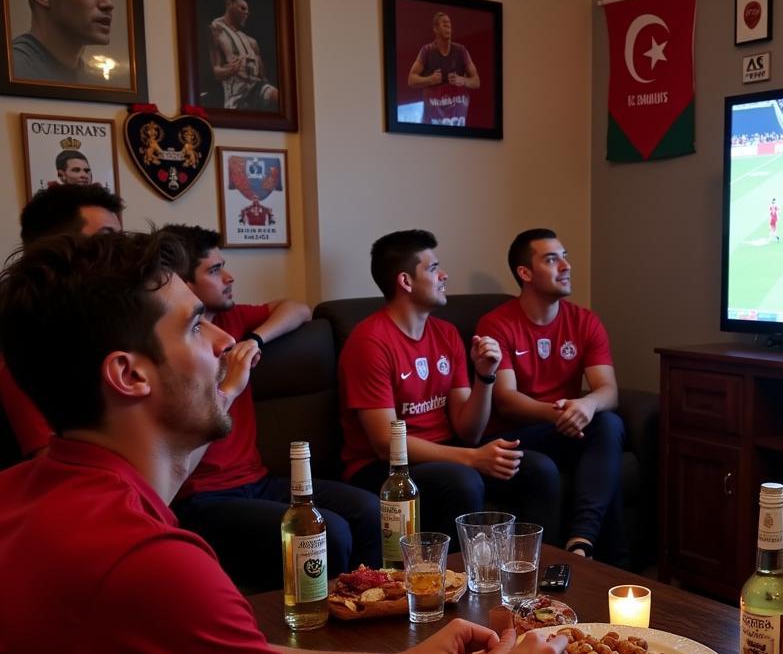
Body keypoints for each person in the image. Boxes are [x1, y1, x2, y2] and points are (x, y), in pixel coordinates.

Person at [0, 229, 573, 654]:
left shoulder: (39, 488)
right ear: (130, 374)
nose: (223, 345)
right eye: (195, 325)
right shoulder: (137, 559)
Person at [161, 226, 379, 590]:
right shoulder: (174, 348)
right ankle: (325, 628)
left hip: (257, 482)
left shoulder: (230, 322)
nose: (229, 277)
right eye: (214, 271)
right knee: (330, 531)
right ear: (183, 284)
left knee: (370, 510)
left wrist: (255, 338)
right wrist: (228, 384)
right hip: (203, 497)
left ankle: (374, 604)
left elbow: (297, 308)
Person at [338, 229, 561, 543]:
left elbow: (468, 431)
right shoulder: (370, 342)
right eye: (432, 269)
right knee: (461, 480)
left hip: (445, 453)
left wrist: (485, 376)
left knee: (537, 469)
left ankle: (536, 577)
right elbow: (385, 444)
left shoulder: (446, 334)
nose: (444, 275)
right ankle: (457, 587)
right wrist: (472, 458)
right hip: (382, 469)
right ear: (405, 281)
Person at [476, 229, 626, 563]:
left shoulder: (584, 321)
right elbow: (506, 399)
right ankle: (611, 560)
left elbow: (608, 390)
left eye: (565, 256)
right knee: (599, 452)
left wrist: (585, 405)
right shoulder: (497, 324)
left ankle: (581, 543)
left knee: (608, 424)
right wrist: (560, 414)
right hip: (515, 435)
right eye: (551, 259)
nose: (566, 266)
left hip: (563, 428)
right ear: (525, 273)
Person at [0, 183, 124, 459]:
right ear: (56, 247)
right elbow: (53, 465)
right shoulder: (26, 337)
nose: (121, 251)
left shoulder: (98, 319)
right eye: (107, 239)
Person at [209, 0, 279, 110]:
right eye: (242, 8)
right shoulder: (215, 29)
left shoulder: (251, 41)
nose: (247, 13)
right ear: (229, 4)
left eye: (247, 10)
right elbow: (215, 72)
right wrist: (230, 71)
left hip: (257, 88)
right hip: (236, 95)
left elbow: (262, 76)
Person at [407, 11, 479, 126]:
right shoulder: (427, 50)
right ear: (435, 29)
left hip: (457, 122)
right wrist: (430, 79)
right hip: (433, 123)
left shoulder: (461, 51)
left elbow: (476, 81)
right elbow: (411, 80)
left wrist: (462, 80)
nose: (448, 25)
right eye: (444, 23)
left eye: (449, 24)